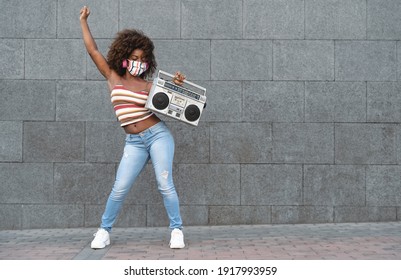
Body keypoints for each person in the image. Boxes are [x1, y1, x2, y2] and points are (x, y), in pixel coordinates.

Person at [80, 6, 185, 249]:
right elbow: (92, 50)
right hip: (135, 142)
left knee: (164, 183)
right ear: (124, 57)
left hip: (158, 136)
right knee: (119, 188)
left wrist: (178, 82)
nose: (138, 63)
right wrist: (83, 21)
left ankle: (176, 230)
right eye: (134, 58)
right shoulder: (112, 76)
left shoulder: (150, 85)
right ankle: (103, 231)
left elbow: (179, 98)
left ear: (148, 62)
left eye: (142, 59)